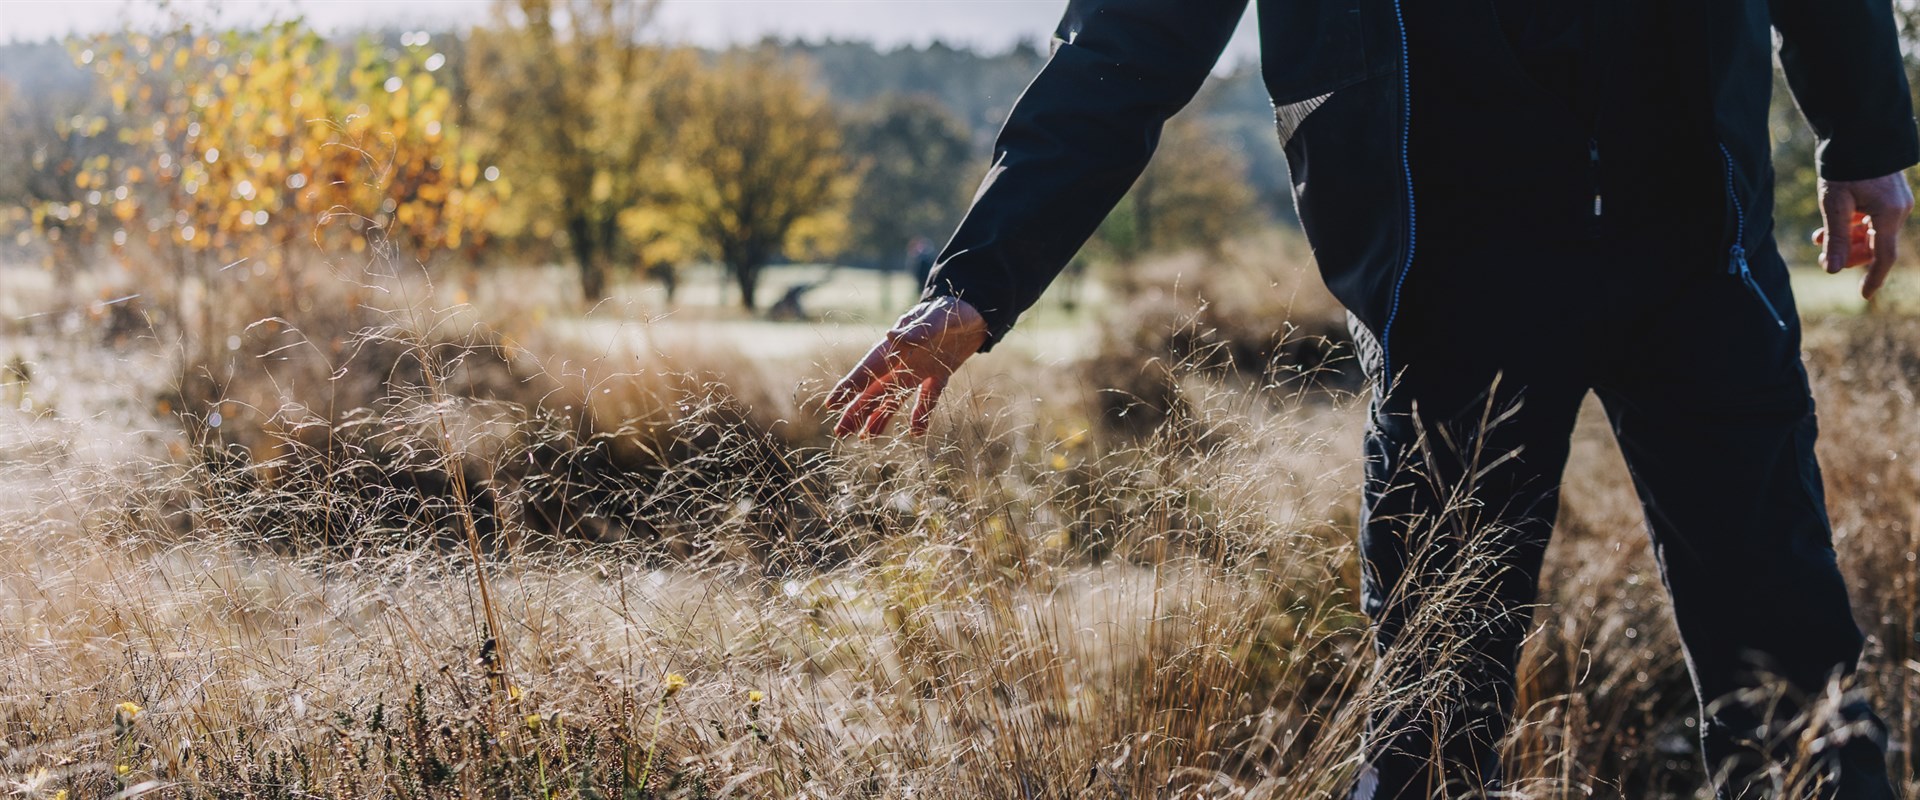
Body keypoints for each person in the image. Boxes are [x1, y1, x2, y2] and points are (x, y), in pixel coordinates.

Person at [826, 1, 1916, 797]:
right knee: (1434, 721)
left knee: (1797, 689)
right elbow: (1127, 42)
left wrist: (1863, 131)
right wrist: (979, 279)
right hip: (1453, 285)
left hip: (1696, 248)